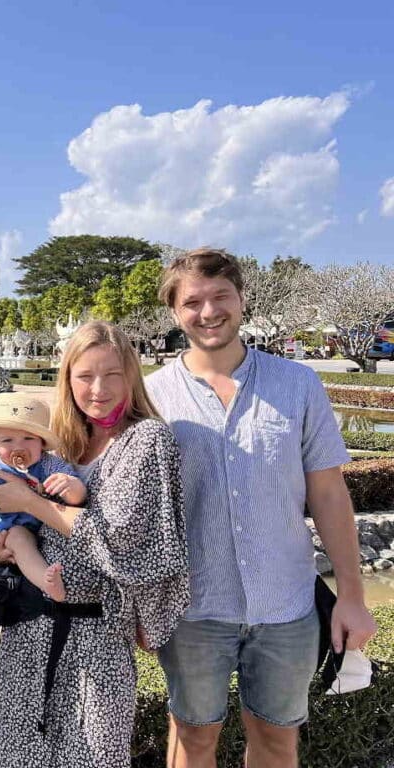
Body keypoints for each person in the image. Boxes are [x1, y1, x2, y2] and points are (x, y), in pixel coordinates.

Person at [145, 248, 377, 768]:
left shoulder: (297, 385)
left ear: (242, 299)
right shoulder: (152, 397)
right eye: (193, 302)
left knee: (276, 742)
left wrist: (352, 597)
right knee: (191, 739)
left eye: (220, 296)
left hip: (286, 606)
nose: (208, 312)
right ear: (175, 313)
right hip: (191, 610)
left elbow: (329, 495)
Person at [0, 320, 189, 768]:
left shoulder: (146, 440)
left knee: (92, 754)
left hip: (95, 637)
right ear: (68, 380)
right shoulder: (60, 443)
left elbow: (126, 544)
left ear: (131, 377)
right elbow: (14, 518)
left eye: (112, 374)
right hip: (27, 630)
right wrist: (2, 551)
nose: (98, 389)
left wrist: (33, 503)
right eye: (84, 376)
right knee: (16, 755)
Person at [0, 392, 86, 598]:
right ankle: (47, 582)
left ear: (41, 442)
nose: (19, 447)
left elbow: (77, 498)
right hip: (14, 528)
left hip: (52, 524)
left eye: (28, 438)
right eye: (8, 440)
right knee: (18, 540)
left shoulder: (50, 464)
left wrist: (71, 486)